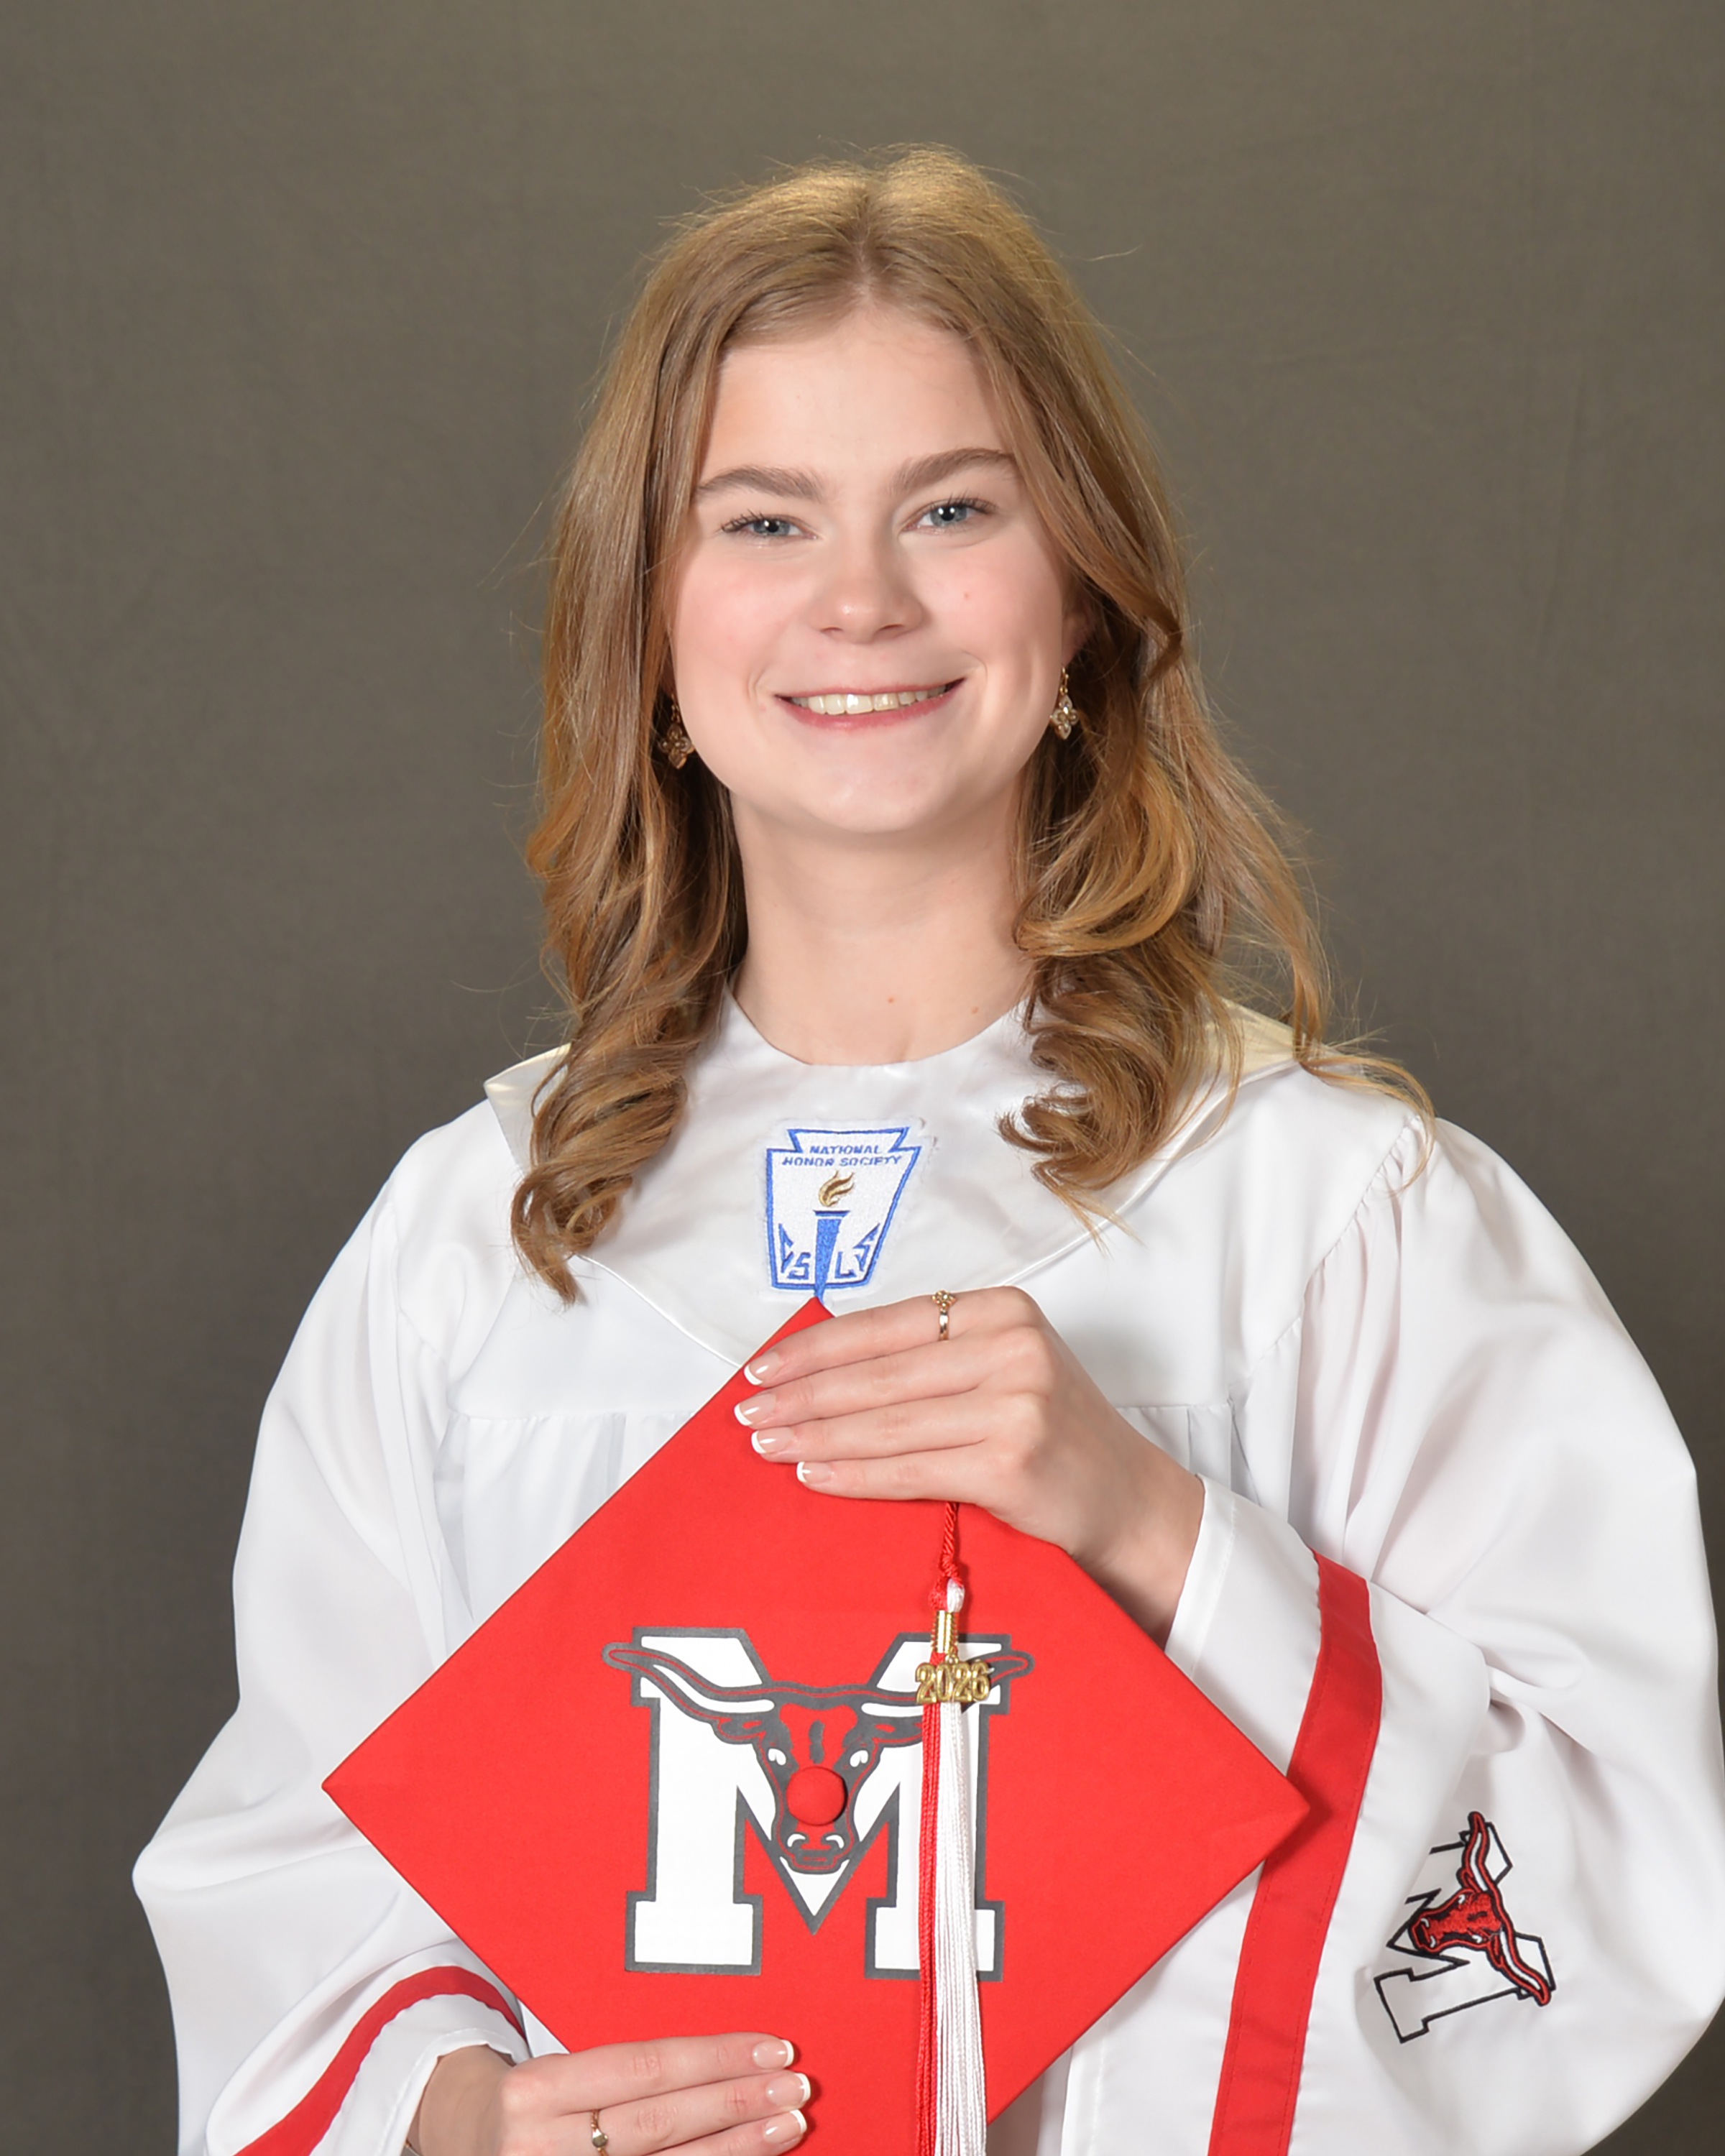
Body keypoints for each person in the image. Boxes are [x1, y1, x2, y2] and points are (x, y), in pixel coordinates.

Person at [136, 149, 1725, 2156]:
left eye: (955, 508)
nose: (861, 601)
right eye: (762, 519)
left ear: (1085, 603)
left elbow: (1611, 1851)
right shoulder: (481, 1242)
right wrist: (465, 2123)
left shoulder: (1334, 1216)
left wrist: (1151, 1525)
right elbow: (298, 1869)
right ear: (649, 628)